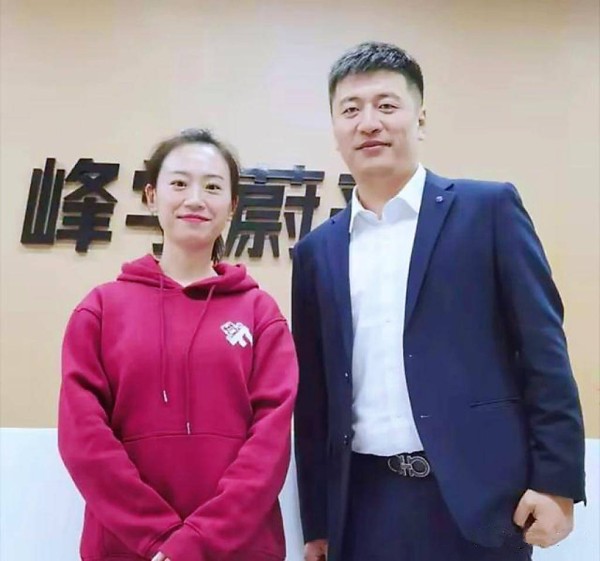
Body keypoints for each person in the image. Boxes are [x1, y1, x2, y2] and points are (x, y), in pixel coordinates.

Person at [292, 42, 585, 561]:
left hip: (481, 499)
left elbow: (544, 351)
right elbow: (314, 397)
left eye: (386, 105)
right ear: (335, 129)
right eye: (351, 109)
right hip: (363, 504)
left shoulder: (487, 210)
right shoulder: (318, 251)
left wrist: (557, 480)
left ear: (420, 118)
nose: (369, 123)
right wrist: (318, 520)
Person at [58, 128, 298, 561]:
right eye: (180, 183)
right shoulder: (101, 310)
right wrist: (159, 538)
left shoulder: (260, 313)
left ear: (233, 206)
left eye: (213, 187)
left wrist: (197, 541)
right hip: (128, 550)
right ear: (152, 196)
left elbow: (270, 444)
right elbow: (83, 439)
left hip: (239, 549)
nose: (195, 199)